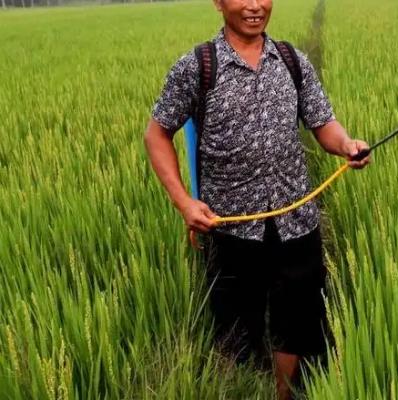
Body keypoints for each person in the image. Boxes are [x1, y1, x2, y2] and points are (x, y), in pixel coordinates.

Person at [144, 0, 370, 398]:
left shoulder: (291, 60)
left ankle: (282, 393)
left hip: (296, 219)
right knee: (235, 328)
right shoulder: (198, 66)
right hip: (231, 229)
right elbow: (156, 134)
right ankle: (238, 388)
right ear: (218, 3)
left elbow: (323, 123)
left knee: (297, 319)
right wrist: (184, 202)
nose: (254, 5)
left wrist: (346, 144)